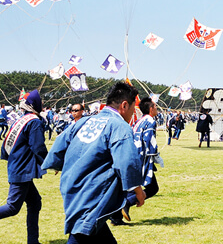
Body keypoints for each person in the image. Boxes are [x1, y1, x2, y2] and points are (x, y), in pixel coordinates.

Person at [42, 82, 146, 243]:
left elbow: (58, 148)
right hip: (93, 192)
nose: (133, 114)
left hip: (72, 185)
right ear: (124, 105)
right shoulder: (119, 126)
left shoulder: (84, 121)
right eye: (133, 109)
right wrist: (137, 190)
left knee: (93, 231)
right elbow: (127, 162)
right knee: (82, 232)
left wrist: (58, 164)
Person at [0, 90, 48, 244]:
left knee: (35, 202)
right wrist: (50, 163)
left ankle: (33, 241)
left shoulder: (20, 120)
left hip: (18, 167)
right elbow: (38, 147)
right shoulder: (34, 121)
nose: (43, 104)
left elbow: (4, 147)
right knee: (12, 207)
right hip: (22, 171)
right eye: (41, 102)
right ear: (35, 105)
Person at [113, 97, 163, 224]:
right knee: (152, 188)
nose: (156, 109)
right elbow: (148, 140)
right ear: (151, 109)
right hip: (141, 157)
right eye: (155, 107)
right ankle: (127, 204)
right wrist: (155, 156)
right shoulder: (150, 121)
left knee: (127, 187)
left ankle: (116, 217)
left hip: (132, 155)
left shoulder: (139, 121)